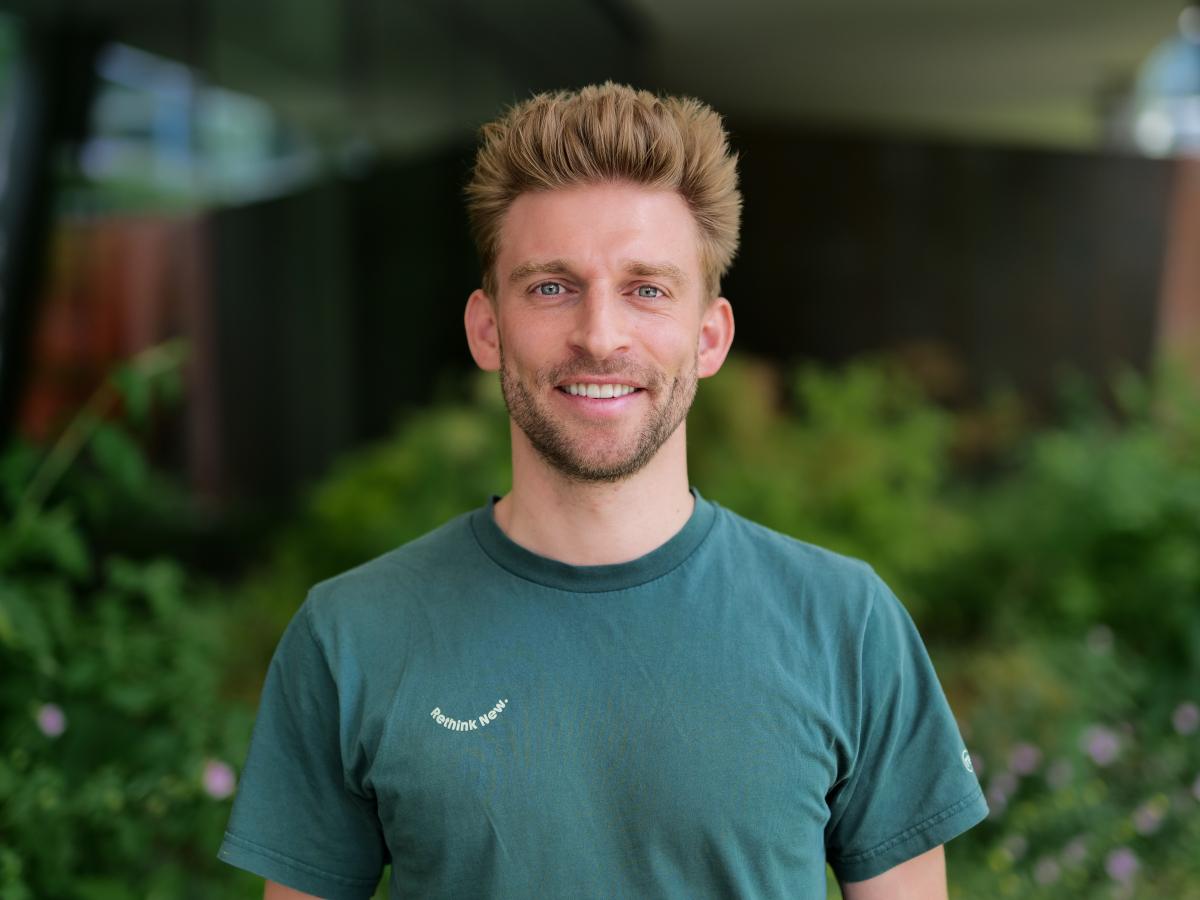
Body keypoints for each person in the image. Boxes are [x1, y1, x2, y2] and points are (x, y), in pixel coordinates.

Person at [217, 82, 988, 899]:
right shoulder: (350, 636)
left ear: (709, 336)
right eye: (551, 287)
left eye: (646, 289)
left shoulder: (845, 625)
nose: (599, 335)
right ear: (487, 328)